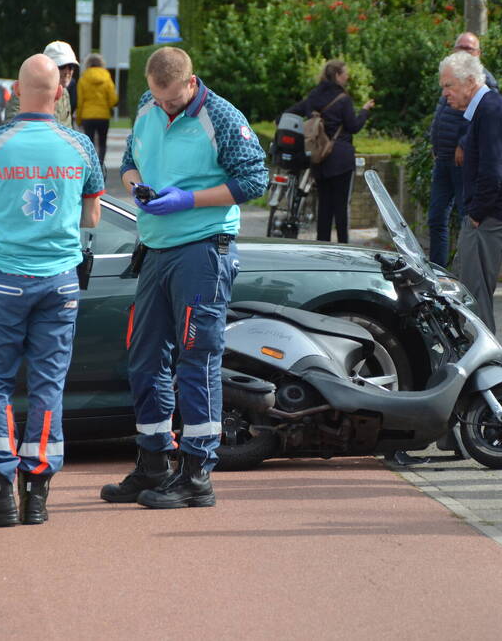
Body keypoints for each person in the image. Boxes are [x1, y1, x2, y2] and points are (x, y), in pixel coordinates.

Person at [100, 47, 267, 509]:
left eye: (172, 100)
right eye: (158, 99)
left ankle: (197, 475)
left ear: (190, 84)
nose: (165, 107)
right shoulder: (147, 107)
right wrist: (135, 185)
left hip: (202, 249)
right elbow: (129, 159)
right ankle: (153, 462)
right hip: (155, 248)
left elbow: (255, 180)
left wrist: (188, 200)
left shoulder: (222, 117)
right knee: (146, 358)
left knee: (197, 361)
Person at [0, 53, 104, 528]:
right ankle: (36, 495)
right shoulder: (80, 147)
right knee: (47, 387)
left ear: (13, 93)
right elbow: (91, 217)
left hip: (4, 282)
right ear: (60, 94)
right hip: (60, 283)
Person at [440, 51, 502, 333]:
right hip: (489, 214)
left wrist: (476, 213)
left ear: (471, 81)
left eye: (449, 85)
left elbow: (492, 172)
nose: (445, 93)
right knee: (472, 292)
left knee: (474, 298)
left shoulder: (490, 110)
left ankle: (485, 362)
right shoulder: (485, 109)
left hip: (490, 218)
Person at [427, 32, 498, 267]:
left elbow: (486, 116)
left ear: (478, 54)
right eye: (461, 48)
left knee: (466, 217)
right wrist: (435, 143)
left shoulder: (483, 80)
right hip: (443, 160)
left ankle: (466, 269)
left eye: (470, 49)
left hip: (462, 161)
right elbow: (443, 113)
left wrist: (464, 143)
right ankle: (438, 270)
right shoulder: (451, 77)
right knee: (436, 217)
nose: (465, 52)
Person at [286, 59, 374, 243]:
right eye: (345, 73)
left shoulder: (314, 96)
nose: (347, 76)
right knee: (340, 206)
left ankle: (322, 244)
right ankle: (343, 246)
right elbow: (353, 126)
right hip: (341, 158)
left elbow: (295, 111)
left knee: (324, 206)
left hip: (319, 157)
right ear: (337, 75)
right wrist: (365, 111)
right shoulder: (343, 99)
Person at [5, 40, 78, 127]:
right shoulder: (25, 91)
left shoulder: (64, 93)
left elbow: (67, 127)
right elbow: (11, 127)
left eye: (71, 67)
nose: (67, 72)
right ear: (45, 66)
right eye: (61, 66)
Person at [77, 53, 119, 166]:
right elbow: (113, 99)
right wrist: (108, 106)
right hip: (103, 116)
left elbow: (80, 102)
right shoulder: (106, 77)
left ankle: (91, 165)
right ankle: (100, 165)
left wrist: (79, 119)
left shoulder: (83, 78)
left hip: (87, 116)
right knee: (102, 142)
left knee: (89, 143)